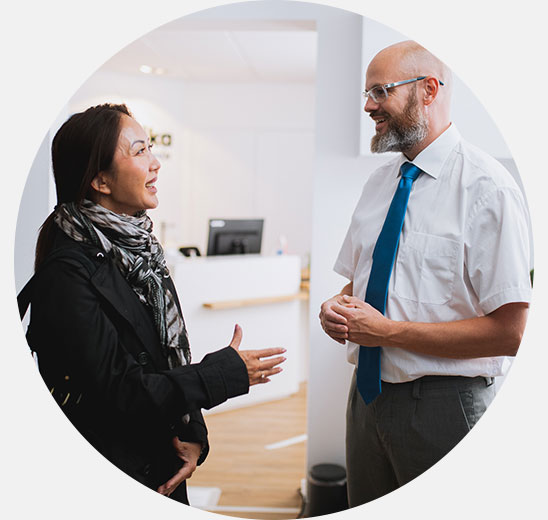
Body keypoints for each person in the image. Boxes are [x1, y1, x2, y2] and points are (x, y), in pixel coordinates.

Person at [20, 103, 286, 505]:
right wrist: (223, 374)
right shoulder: (66, 275)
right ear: (100, 180)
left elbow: (166, 357)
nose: (156, 163)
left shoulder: (141, 251)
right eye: (140, 151)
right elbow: (122, 390)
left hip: (158, 458)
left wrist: (193, 433)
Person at [319, 41, 532, 507]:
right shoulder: (379, 184)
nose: (368, 106)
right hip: (366, 401)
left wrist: (390, 332)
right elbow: (357, 283)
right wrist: (335, 306)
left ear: (429, 90)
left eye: (380, 91)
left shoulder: (487, 188)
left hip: (444, 406)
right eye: (366, 92)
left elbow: (512, 333)